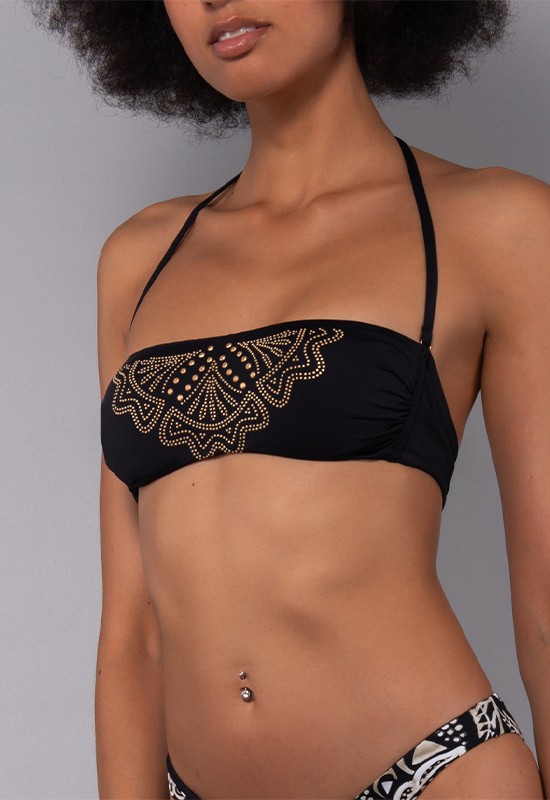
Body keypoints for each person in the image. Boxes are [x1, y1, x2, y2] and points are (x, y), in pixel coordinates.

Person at [26, 1, 549, 798]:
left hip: (431, 773)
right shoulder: (140, 260)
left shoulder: (497, 225)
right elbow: (132, 634)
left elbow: (546, 606)